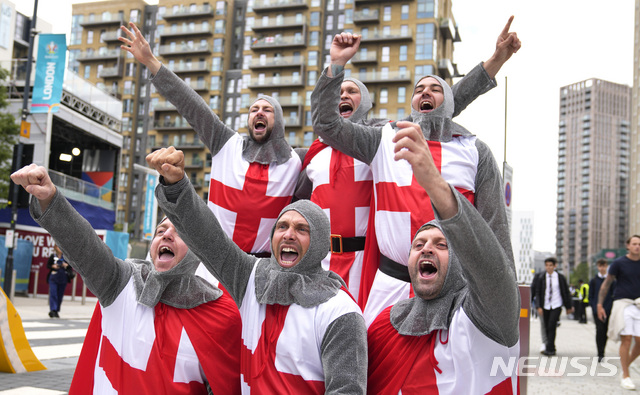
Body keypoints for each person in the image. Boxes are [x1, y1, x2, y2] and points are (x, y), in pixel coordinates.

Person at [311, 20, 520, 325]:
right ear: (410, 104)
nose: (426, 92)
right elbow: (327, 125)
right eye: (419, 89)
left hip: (454, 292)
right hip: (389, 287)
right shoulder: (383, 139)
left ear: (448, 102)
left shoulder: (475, 151)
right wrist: (337, 65)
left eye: (436, 89)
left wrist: (505, 299)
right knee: (376, 369)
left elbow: (494, 230)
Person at [148, 146, 368, 394]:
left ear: (318, 243)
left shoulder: (340, 310)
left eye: (301, 229)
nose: (288, 235)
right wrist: (176, 186)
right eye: (282, 226)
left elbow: (347, 389)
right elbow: (207, 238)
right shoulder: (251, 278)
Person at [11, 164, 242, 394]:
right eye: (161, 231)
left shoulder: (220, 315)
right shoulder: (122, 283)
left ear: (197, 249)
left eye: (179, 231)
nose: (168, 234)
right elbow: (84, 246)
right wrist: (51, 199)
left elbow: (227, 385)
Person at [120, 22, 302, 256]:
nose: (259, 112)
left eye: (267, 110)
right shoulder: (226, 143)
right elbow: (191, 105)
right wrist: (150, 61)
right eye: (254, 109)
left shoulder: (295, 162)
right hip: (215, 260)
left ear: (279, 122)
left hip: (262, 267)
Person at [366, 118, 520, 393]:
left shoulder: (485, 319)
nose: (426, 248)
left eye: (441, 244)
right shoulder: (383, 325)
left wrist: (435, 184)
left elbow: (492, 270)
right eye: (419, 244)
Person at [598, 235, 640, 390]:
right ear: (628, 245)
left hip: (639, 305)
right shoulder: (619, 263)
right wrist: (599, 305)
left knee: (639, 343)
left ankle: (624, 366)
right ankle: (626, 376)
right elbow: (606, 284)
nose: (637, 246)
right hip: (623, 304)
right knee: (627, 339)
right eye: (634, 244)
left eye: (639, 244)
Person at [535, 257, 573, 356]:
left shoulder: (560, 277)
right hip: (545, 306)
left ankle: (550, 349)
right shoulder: (541, 277)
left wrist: (569, 307)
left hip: (556, 305)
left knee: (552, 325)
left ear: (555, 266)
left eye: (551, 265)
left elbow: (565, 292)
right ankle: (551, 346)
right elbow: (538, 293)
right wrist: (538, 306)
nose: (549, 267)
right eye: (547, 265)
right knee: (547, 326)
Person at [589, 258, 615, 362]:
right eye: (600, 266)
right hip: (597, 311)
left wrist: (607, 307)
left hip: (608, 309)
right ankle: (600, 353)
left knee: (605, 331)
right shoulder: (593, 281)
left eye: (604, 266)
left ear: (607, 266)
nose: (602, 268)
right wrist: (594, 307)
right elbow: (591, 296)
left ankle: (603, 350)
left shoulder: (611, 281)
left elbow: (613, 295)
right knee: (599, 330)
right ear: (597, 267)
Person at [46, 244, 72, 318]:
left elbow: (70, 267)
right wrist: (52, 266)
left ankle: (57, 310)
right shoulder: (53, 256)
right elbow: (48, 265)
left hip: (63, 278)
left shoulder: (66, 257)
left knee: (60, 295)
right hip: (54, 278)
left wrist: (65, 265)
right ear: (55, 248)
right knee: (53, 294)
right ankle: (53, 310)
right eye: (58, 247)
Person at [530, 270, 548, 351]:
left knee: (551, 326)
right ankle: (545, 343)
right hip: (541, 305)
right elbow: (533, 290)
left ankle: (549, 344)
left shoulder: (557, 277)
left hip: (554, 307)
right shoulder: (538, 276)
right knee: (543, 324)